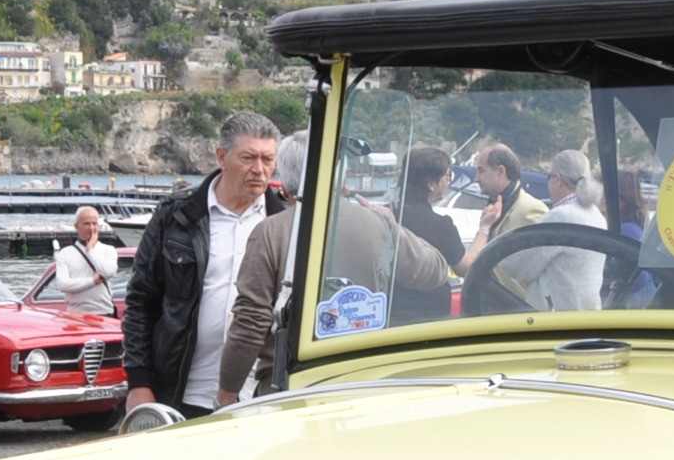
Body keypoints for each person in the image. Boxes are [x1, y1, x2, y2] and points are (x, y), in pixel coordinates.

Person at [218, 131, 452, 402]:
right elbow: (435, 270)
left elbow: (251, 321)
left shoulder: (271, 232)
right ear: (340, 173)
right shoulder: (377, 226)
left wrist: (227, 391)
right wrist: (390, 225)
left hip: (285, 386)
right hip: (360, 380)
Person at [122, 111, 282, 416]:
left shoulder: (286, 225)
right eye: (249, 158)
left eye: (267, 159)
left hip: (260, 397)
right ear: (221, 156)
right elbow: (142, 302)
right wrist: (139, 383)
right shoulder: (176, 217)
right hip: (182, 392)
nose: (259, 170)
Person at [521, 148, 610, 313]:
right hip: (588, 314)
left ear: (557, 179)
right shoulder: (596, 215)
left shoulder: (560, 217)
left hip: (556, 319)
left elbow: (523, 266)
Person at [465, 142, 547, 304]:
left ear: (500, 172)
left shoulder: (532, 210)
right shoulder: (493, 209)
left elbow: (543, 268)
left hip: (520, 311)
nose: (476, 178)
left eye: (481, 170)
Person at [397, 143, 464, 275]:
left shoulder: (388, 214)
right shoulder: (441, 226)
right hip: (429, 295)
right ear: (432, 184)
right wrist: (484, 228)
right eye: (447, 175)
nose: (449, 181)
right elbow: (465, 269)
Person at [48, 206, 122, 314]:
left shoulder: (109, 250)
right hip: (76, 315)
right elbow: (62, 285)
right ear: (76, 226)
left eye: (94, 223)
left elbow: (109, 272)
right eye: (87, 224)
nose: (91, 228)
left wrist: (91, 250)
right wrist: (92, 281)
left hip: (104, 313)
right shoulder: (65, 254)